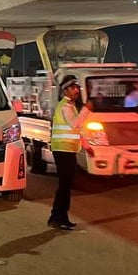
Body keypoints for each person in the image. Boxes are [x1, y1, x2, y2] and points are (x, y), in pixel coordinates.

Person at [49, 74, 91, 230]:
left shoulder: (71, 105)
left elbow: (77, 130)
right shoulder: (66, 107)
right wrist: (86, 109)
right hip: (63, 150)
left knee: (65, 185)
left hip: (67, 150)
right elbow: (75, 124)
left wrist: (86, 145)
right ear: (65, 90)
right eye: (73, 87)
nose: (76, 90)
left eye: (77, 87)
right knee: (65, 186)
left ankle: (57, 216)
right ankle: (59, 217)